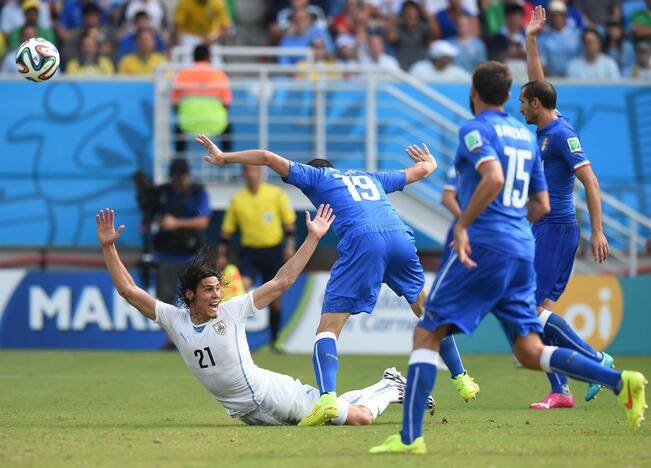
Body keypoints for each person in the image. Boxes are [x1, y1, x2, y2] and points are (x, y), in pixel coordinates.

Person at [368, 60, 646, 455]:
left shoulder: (476, 130)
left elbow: (494, 178)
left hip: (482, 245)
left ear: (474, 93)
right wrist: (510, 224)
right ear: (506, 95)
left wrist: (465, 224)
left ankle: (410, 438)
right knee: (529, 351)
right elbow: (542, 203)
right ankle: (620, 381)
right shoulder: (525, 135)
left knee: (426, 332)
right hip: (520, 246)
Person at [196, 132, 479, 427]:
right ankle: (462, 379)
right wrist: (431, 164)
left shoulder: (316, 177)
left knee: (328, 328)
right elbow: (421, 170)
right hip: (399, 238)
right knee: (428, 311)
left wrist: (223, 158)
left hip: (363, 241)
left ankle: (328, 398)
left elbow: (267, 158)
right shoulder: (369, 177)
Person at [96, 206, 435, 425]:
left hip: (273, 394)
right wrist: (109, 247)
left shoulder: (230, 311)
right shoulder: (175, 319)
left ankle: (391, 388)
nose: (217, 295)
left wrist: (313, 238)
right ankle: (387, 383)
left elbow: (282, 281)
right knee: (330, 411)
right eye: (209, 290)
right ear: (190, 296)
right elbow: (129, 290)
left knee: (359, 419)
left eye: (218, 288)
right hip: (249, 413)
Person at [524, 6, 615, 409]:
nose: (520, 107)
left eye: (524, 103)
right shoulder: (545, 124)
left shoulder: (561, 135)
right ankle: (561, 389)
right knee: (530, 309)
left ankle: (596, 360)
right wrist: (530, 39)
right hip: (544, 227)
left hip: (558, 227)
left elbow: (591, 181)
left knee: (532, 310)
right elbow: (537, 84)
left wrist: (597, 230)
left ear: (537, 106)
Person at [219, 164, 296, 352]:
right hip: (250, 252)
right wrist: (222, 254)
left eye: (255, 170)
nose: (252, 174)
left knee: (275, 299)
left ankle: (275, 340)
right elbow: (227, 231)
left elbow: (289, 222)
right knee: (241, 286)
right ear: (243, 174)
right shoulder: (238, 200)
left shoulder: (275, 194)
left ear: (261, 173)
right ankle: (228, 336)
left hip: (273, 251)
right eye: (248, 171)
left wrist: (290, 245)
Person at [151, 158, 211, 306]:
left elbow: (203, 222)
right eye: (174, 177)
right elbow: (151, 216)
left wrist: (175, 223)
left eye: (180, 177)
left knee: (195, 300)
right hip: (166, 254)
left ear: (187, 176)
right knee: (165, 304)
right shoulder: (163, 192)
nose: (176, 181)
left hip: (192, 255)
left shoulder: (197, 192)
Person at [171, 44, 232, 154]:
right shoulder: (220, 75)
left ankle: (179, 162)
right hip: (215, 124)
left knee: (178, 130)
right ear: (209, 57)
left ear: (193, 57)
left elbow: (175, 104)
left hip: (188, 124)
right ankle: (226, 163)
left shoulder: (182, 74)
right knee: (228, 127)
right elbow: (226, 104)